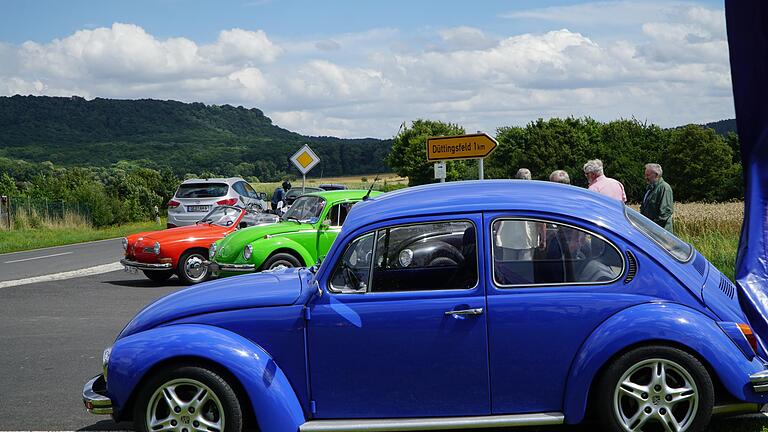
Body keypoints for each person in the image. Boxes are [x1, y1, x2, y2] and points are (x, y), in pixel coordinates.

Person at [640, 163, 674, 233]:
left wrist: (653, 228)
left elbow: (665, 213)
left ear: (656, 175)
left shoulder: (664, 188)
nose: (645, 177)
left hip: (661, 233)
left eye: (648, 175)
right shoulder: (650, 189)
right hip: (650, 231)